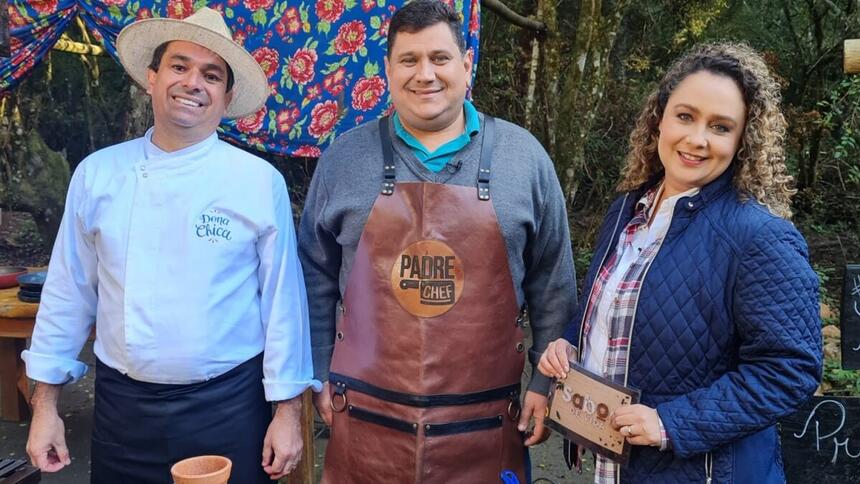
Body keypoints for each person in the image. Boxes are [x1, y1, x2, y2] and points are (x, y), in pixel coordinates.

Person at [22, 8, 320, 483]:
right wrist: (45, 406)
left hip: (228, 407)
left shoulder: (257, 182)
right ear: (152, 77)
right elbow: (68, 293)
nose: (193, 83)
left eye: (211, 74)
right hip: (123, 410)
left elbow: (284, 306)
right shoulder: (98, 174)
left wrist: (285, 414)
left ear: (226, 97)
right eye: (179, 66)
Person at [297, 0, 576, 482]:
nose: (425, 74)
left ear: (467, 65)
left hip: (486, 428)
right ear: (387, 69)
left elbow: (554, 283)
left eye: (440, 58)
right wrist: (316, 372)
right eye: (409, 60)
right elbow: (313, 278)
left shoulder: (524, 159)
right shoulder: (343, 160)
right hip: (365, 422)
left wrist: (545, 383)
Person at [538, 42, 822, 483]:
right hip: (617, 467)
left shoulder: (760, 237)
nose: (697, 139)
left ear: (743, 140)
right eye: (685, 116)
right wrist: (570, 345)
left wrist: (672, 423)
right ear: (660, 119)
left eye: (721, 127)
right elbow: (610, 308)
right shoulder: (628, 211)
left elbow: (790, 370)